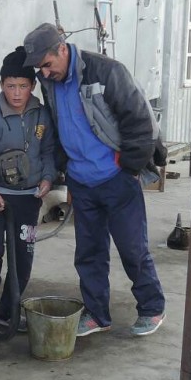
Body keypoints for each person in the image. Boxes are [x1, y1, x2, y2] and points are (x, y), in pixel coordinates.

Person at [22, 22, 168, 338]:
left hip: (117, 179)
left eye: (47, 65)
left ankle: (152, 307)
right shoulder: (50, 81)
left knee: (132, 248)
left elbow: (141, 121)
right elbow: (60, 125)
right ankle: (97, 314)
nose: (44, 74)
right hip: (81, 181)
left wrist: (128, 166)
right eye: (39, 69)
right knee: (89, 252)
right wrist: (65, 167)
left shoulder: (107, 71)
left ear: (62, 49)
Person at [0, 46, 56, 332]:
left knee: (22, 258)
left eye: (22, 86)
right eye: (10, 86)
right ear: (1, 85)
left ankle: (7, 314)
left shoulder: (42, 117)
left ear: (32, 86)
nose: (16, 93)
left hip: (29, 201)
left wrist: (47, 178)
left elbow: (49, 152)